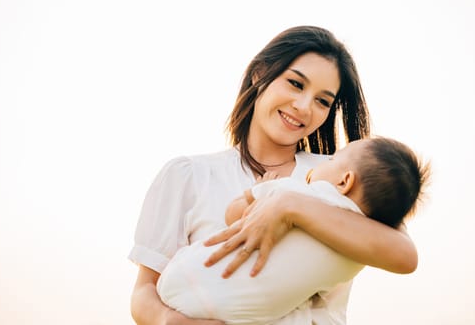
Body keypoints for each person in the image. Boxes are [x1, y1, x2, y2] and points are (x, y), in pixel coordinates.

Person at [129, 25, 419, 325]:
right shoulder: (188, 176)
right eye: (295, 84)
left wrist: (288, 206)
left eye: (323, 101)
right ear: (260, 73)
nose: (304, 107)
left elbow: (404, 256)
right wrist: (169, 321)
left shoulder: (343, 177)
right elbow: (144, 291)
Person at [155, 137, 430, 325]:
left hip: (185, 281)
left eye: (334, 158)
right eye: (295, 84)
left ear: (345, 180)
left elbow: (233, 214)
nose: (303, 106)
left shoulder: (295, 188)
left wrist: (263, 195)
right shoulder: (358, 250)